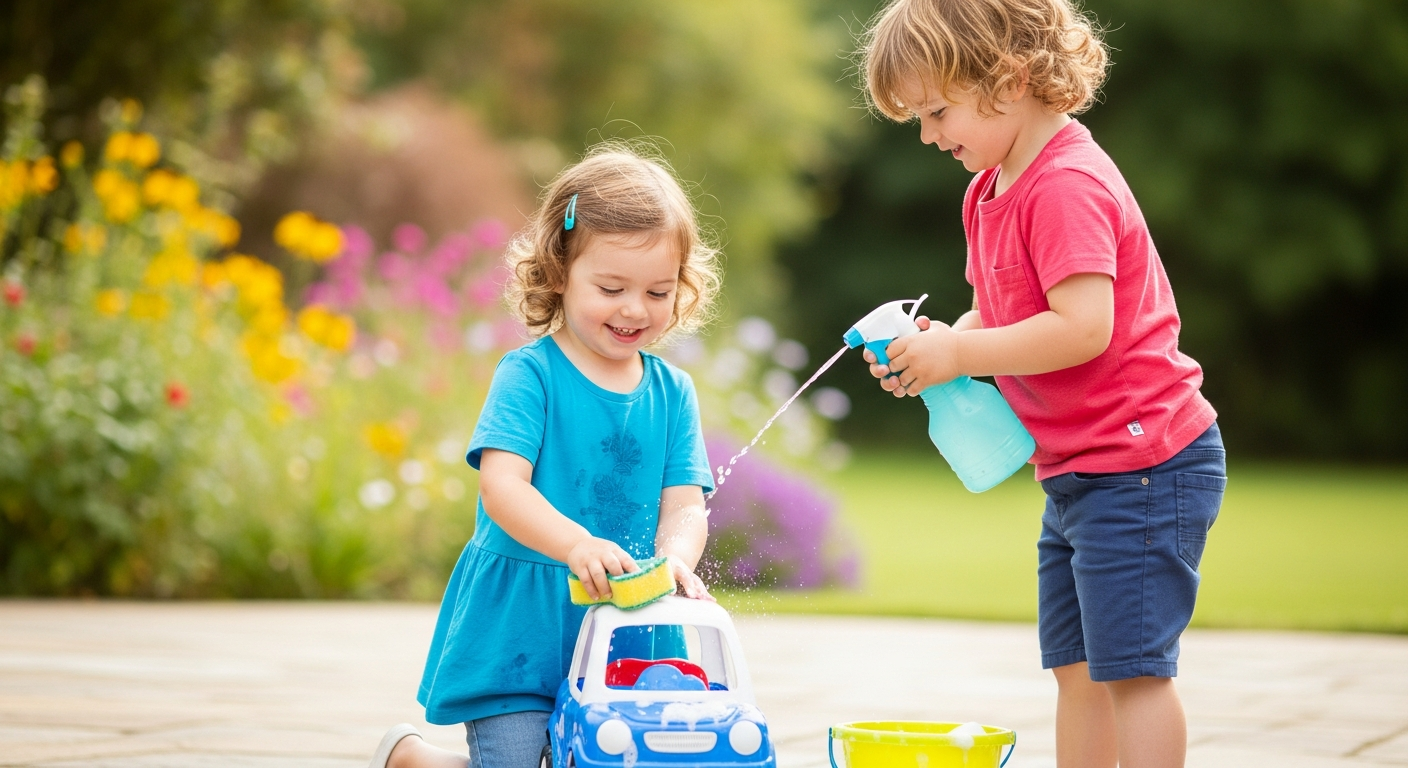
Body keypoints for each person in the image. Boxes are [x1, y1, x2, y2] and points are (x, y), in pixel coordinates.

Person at [857, 1, 1226, 766]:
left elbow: (1083, 326)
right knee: (1077, 669)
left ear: (1011, 78)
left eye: (936, 111)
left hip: (1144, 464)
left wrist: (963, 357)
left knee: (1134, 673)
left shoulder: (1065, 184)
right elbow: (1001, 314)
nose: (928, 135)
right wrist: (939, 346)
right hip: (1082, 471)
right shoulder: (988, 190)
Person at [369, 144, 721, 768]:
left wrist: (673, 561)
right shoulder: (530, 376)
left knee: (614, 757)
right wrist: (576, 545)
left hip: (623, 624)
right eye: (611, 287)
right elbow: (502, 488)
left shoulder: (673, 393)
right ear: (560, 272)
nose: (636, 308)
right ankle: (418, 759)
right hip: (523, 625)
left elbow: (686, 504)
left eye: (659, 291)